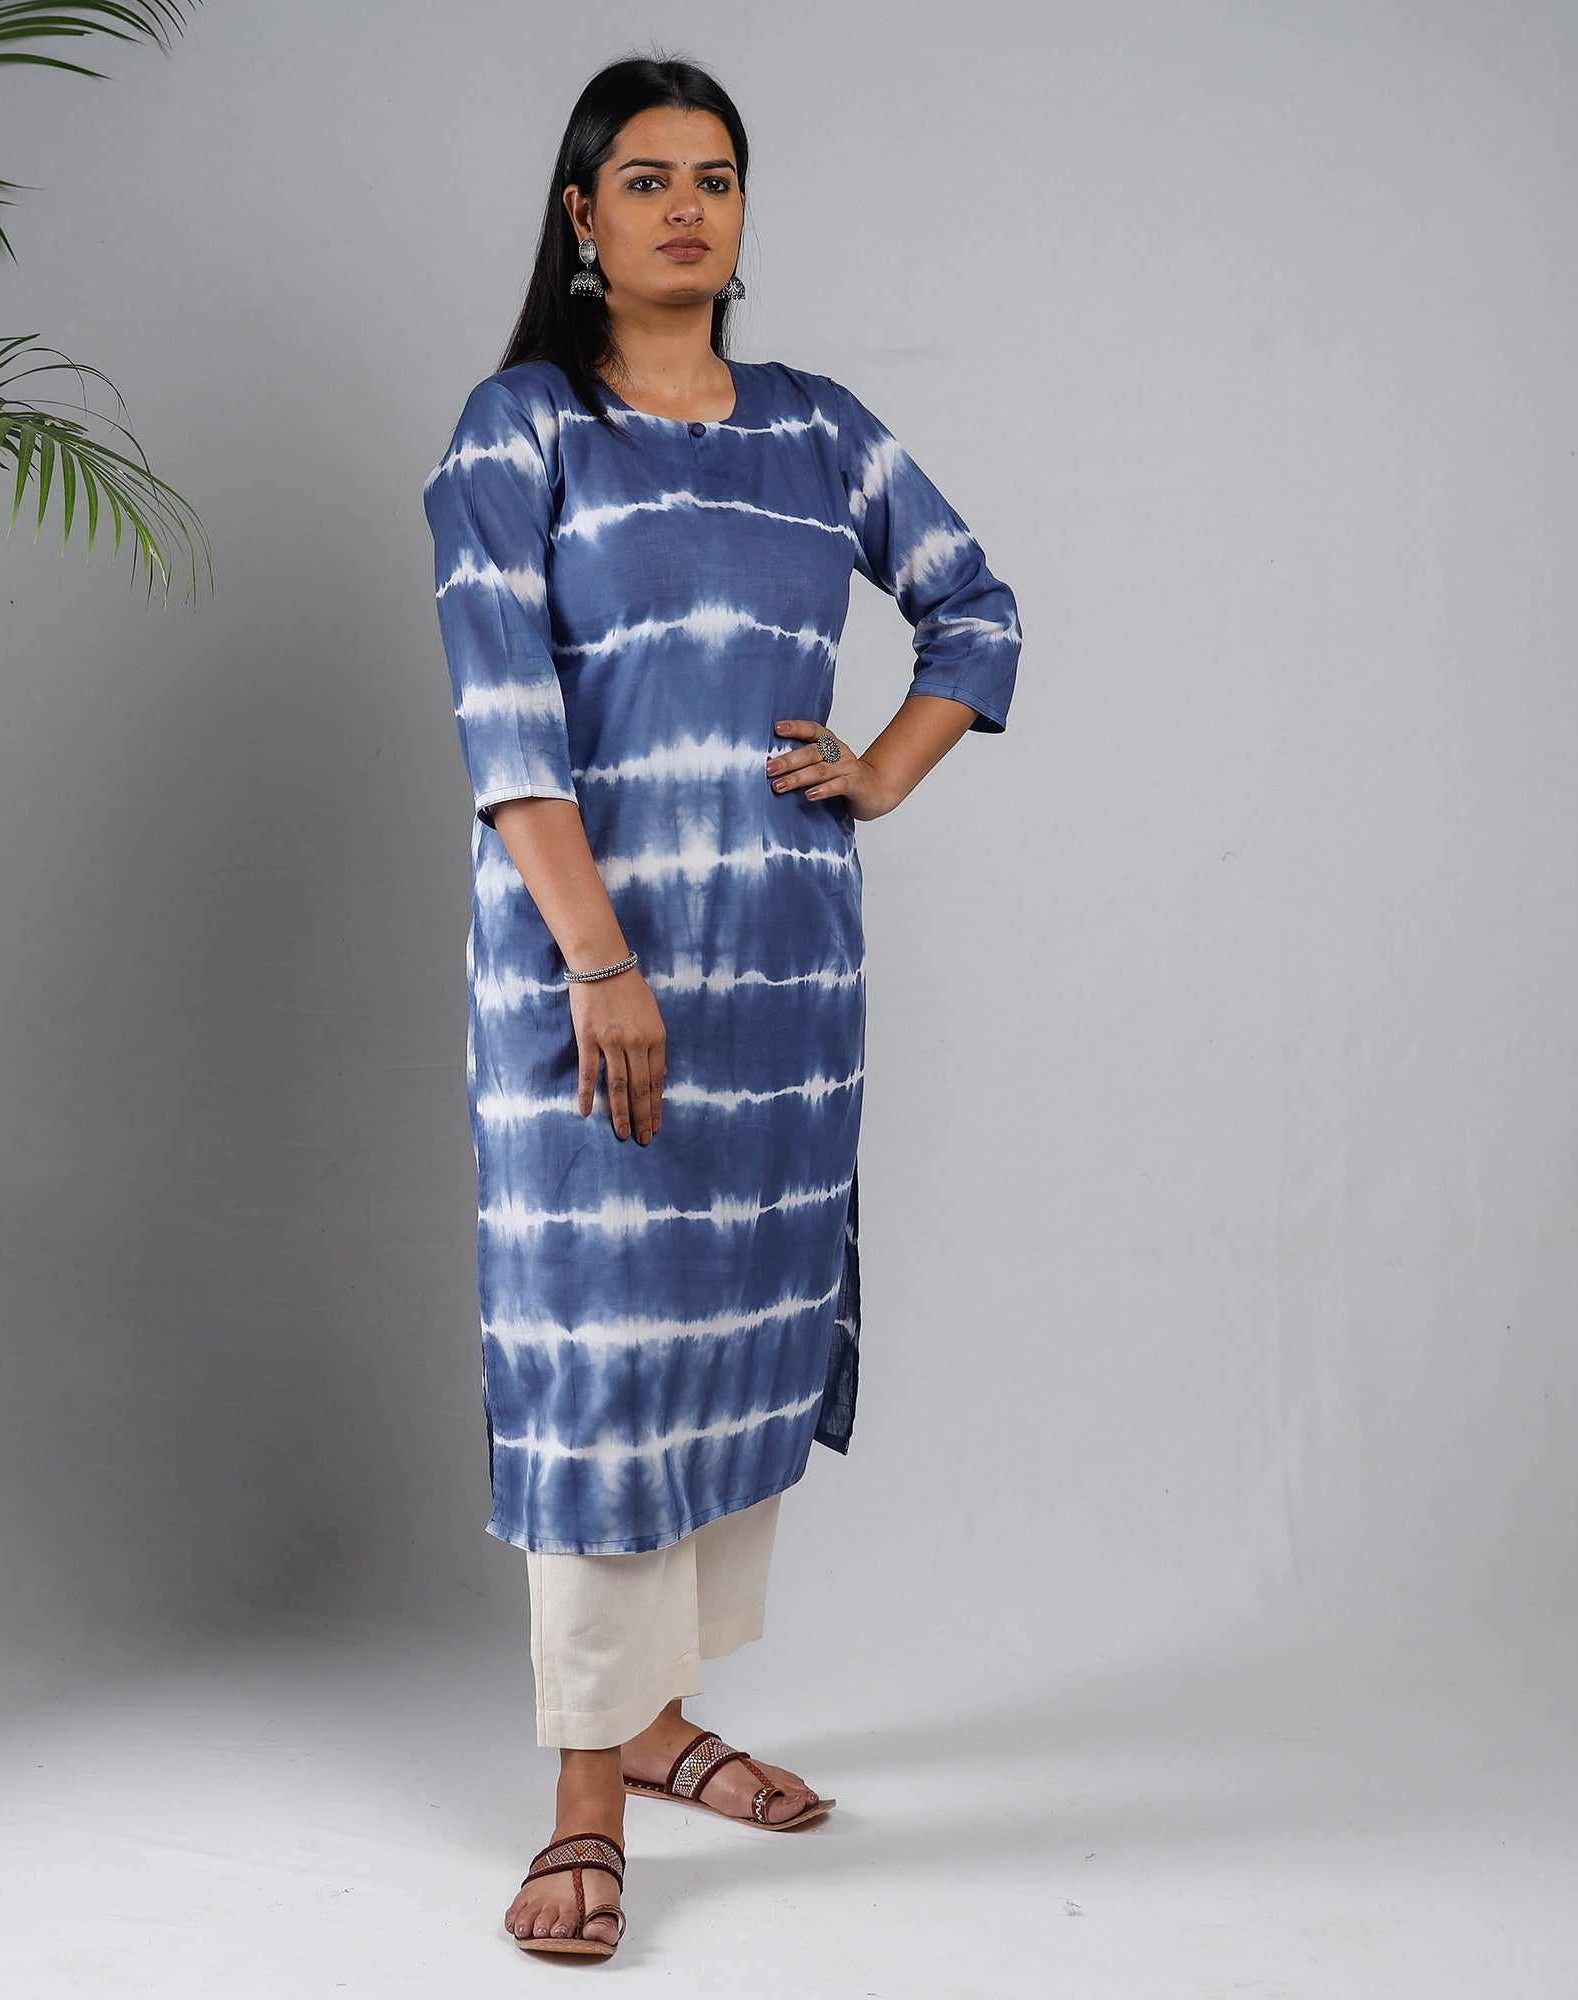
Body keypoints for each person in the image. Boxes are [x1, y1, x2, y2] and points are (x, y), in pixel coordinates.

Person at [421, 53, 1023, 1961]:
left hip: (779, 976)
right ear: (580, 216)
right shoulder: (523, 427)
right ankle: (584, 1799)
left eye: (717, 178)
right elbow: (504, 718)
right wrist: (599, 961)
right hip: (585, 961)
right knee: (599, 1360)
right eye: (647, 179)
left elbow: (977, 609)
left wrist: (881, 768)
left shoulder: (821, 427)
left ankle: (661, 1720)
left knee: (729, 1336)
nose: (687, 208)